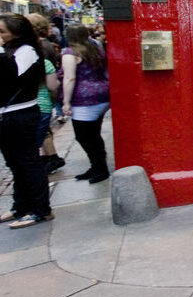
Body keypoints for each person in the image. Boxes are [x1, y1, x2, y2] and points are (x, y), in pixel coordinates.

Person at [0, 14, 54, 229]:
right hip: (6, 115)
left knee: (29, 162)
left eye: (2, 31)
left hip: (21, 114)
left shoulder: (27, 52)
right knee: (14, 163)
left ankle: (41, 209)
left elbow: (9, 76)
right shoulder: (9, 51)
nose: (0, 35)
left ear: (16, 32)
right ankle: (20, 205)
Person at [62, 24, 111, 183]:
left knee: (83, 137)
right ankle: (97, 166)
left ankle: (100, 169)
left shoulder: (70, 53)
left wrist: (66, 102)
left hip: (84, 100)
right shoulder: (95, 49)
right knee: (94, 135)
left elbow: (70, 78)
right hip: (103, 95)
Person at [27, 13, 65, 173]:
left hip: (41, 94)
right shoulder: (47, 44)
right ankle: (52, 157)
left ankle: (49, 159)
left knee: (38, 134)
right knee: (45, 130)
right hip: (47, 92)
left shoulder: (38, 46)